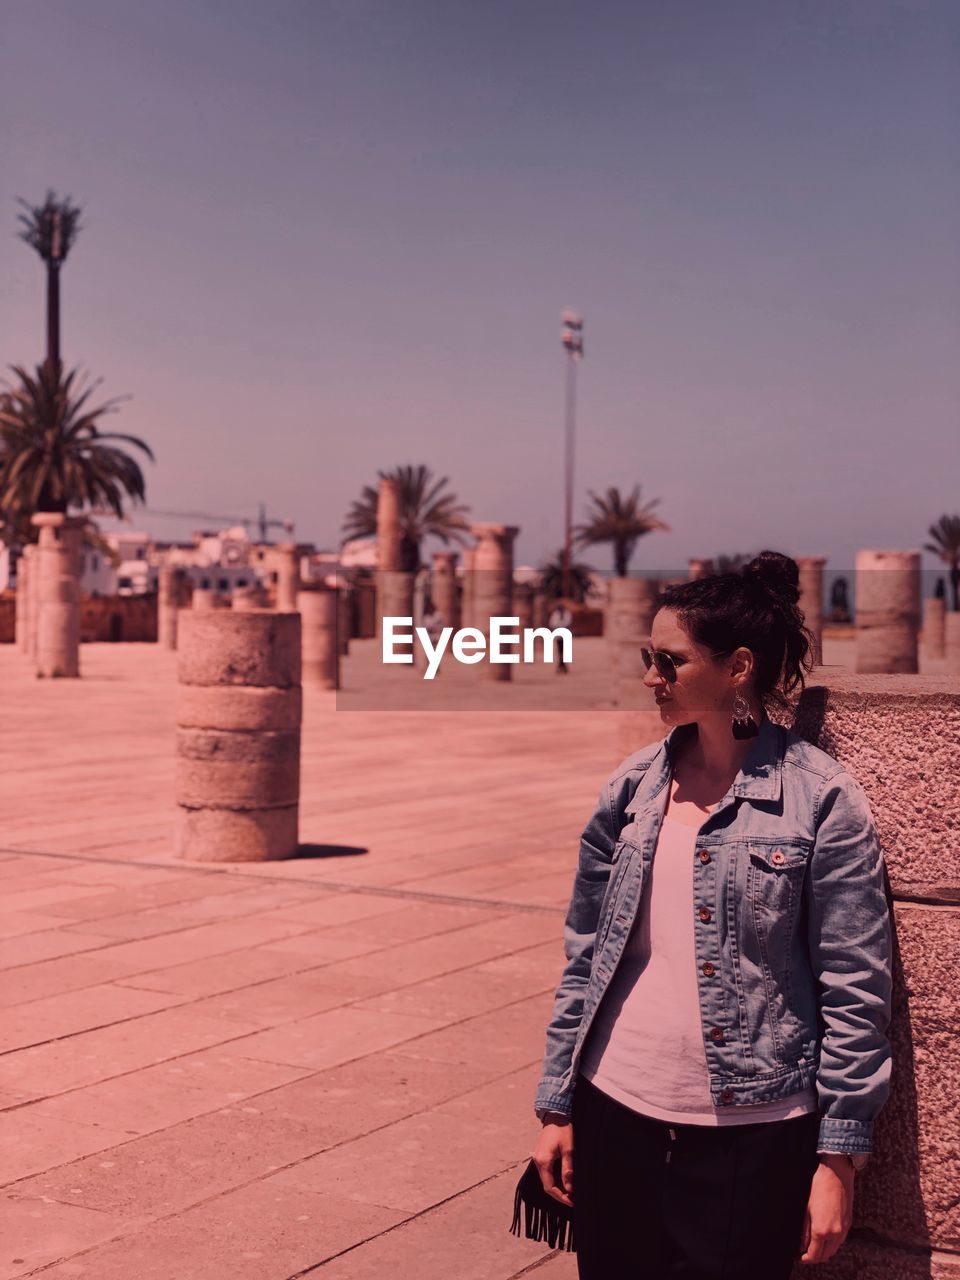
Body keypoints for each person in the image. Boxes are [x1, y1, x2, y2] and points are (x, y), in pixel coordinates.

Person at [531, 550, 893, 1280]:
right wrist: (557, 1105)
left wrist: (839, 1161)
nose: (650, 678)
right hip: (614, 1110)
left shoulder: (820, 800)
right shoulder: (632, 787)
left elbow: (857, 987)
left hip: (752, 1135)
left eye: (669, 662)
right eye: (647, 658)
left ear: (737, 668)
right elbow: (586, 956)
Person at [548, 600, 574, 673]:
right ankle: (561, 664)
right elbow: (552, 624)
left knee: (564, 651)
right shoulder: (555, 614)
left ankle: (563, 665)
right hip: (558, 635)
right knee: (559, 650)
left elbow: (568, 623)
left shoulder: (567, 614)